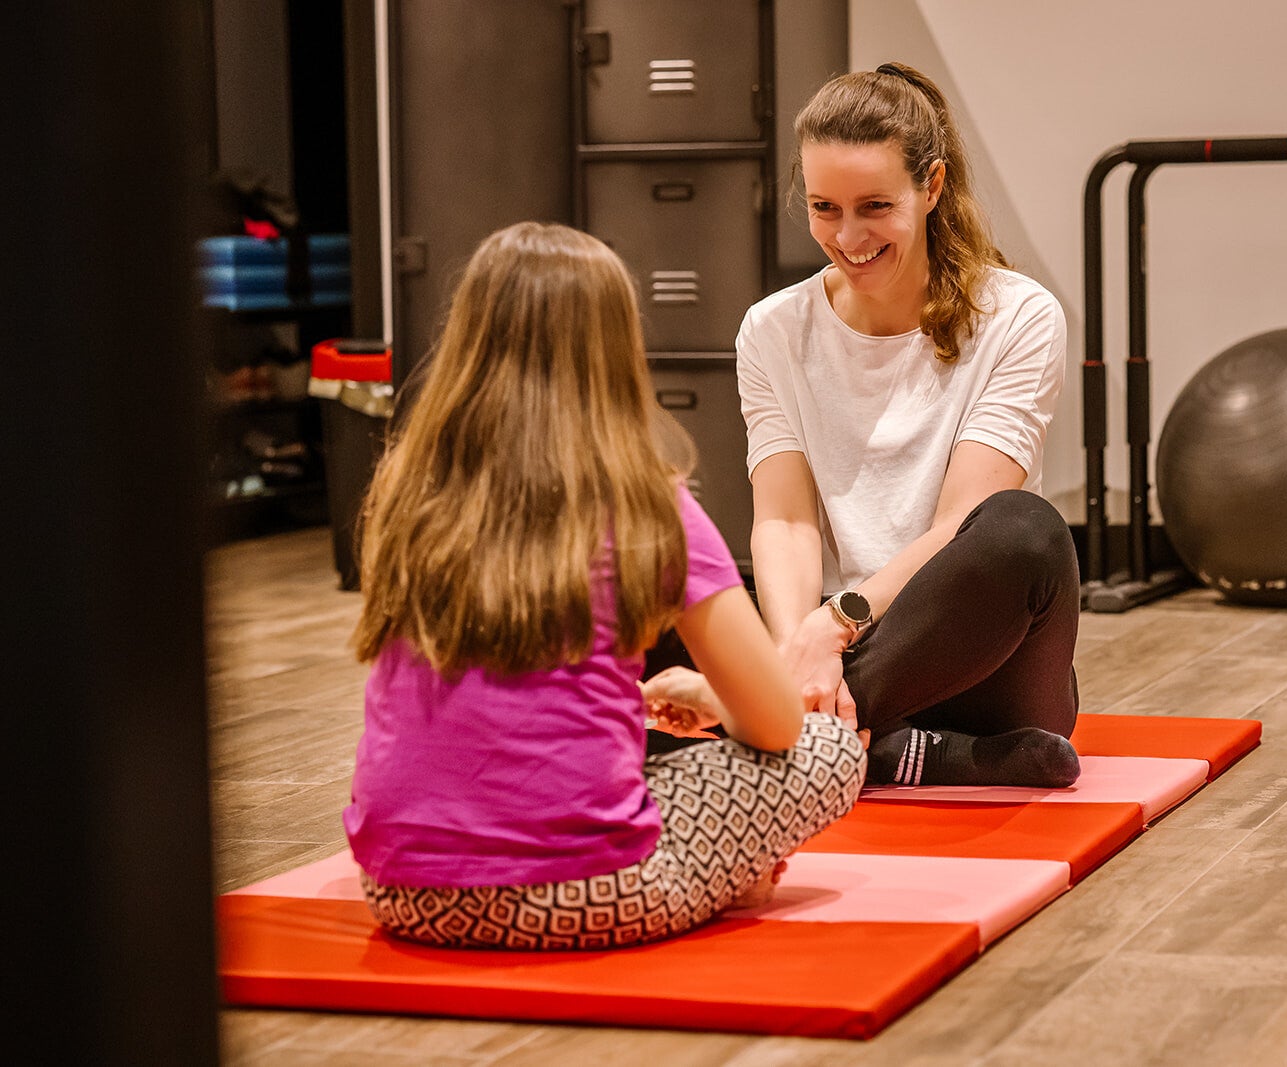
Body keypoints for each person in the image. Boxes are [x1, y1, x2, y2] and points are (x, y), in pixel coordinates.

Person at [343, 222, 866, 951]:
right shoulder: (647, 502)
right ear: (615, 351)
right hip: (591, 893)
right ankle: (722, 878)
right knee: (830, 750)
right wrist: (713, 700)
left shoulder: (410, 490)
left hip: (403, 893)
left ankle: (714, 872)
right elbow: (777, 726)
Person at [736, 62, 1081, 788]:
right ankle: (903, 751)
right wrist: (797, 653)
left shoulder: (1020, 316)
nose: (848, 235)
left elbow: (960, 524)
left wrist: (833, 626)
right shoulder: (771, 329)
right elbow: (785, 523)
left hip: (978, 661)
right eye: (825, 207)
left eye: (874, 206)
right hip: (842, 660)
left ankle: (781, 733)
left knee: (1024, 530)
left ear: (932, 187)